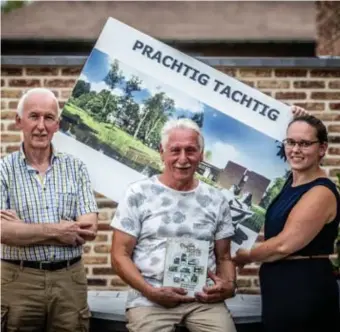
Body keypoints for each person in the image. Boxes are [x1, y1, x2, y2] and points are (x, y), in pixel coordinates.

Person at [111, 118, 237, 332]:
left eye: (190, 150)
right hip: (150, 300)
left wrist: (229, 285)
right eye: (175, 150)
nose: (183, 159)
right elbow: (119, 254)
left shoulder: (217, 200)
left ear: (201, 154)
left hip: (203, 301)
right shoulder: (138, 193)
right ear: (162, 152)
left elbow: (224, 257)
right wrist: (150, 291)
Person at [233, 107, 340, 332]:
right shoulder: (290, 184)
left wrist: (245, 255)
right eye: (290, 142)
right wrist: (288, 115)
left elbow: (283, 245)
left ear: (322, 149)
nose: (295, 149)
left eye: (304, 143)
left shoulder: (321, 192)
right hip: (281, 288)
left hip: (304, 290)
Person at [0, 88, 98, 332]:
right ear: (18, 121)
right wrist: (58, 230)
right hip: (18, 280)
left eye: (49, 118)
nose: (41, 126)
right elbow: (2, 232)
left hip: (69, 281)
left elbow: (89, 229)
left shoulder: (76, 168)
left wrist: (23, 229)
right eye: (34, 116)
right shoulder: (3, 170)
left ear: (58, 124)